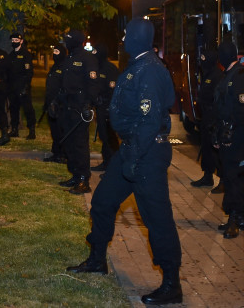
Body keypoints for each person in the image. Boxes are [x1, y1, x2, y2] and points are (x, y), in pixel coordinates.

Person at [68, 18, 182, 306]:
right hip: (131, 150)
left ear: (140, 39)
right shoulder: (138, 64)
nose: (124, 39)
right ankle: (97, 260)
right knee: (103, 201)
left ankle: (171, 283)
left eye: (128, 35)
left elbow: (150, 118)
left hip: (146, 153)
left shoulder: (151, 70)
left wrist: (133, 157)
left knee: (157, 219)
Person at [56, 29, 99, 194]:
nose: (66, 43)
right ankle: (75, 174)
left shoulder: (88, 59)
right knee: (69, 143)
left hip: (80, 108)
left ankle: (83, 180)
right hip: (67, 106)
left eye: (68, 40)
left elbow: (93, 83)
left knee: (80, 144)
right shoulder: (69, 58)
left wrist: (89, 104)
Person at [212, 41, 244, 239]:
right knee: (231, 176)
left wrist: (230, 133)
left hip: (236, 138)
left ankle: (235, 219)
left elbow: (239, 110)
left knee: (234, 178)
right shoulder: (229, 75)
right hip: (227, 135)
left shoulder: (239, 76)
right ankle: (236, 216)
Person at [191, 49, 223, 188]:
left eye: (205, 60)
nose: (202, 63)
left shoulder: (217, 75)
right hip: (206, 117)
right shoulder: (207, 74)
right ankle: (207, 176)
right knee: (206, 148)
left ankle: (222, 181)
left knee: (216, 151)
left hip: (213, 118)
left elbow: (218, 99)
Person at [91, 43, 120, 171]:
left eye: (96, 52)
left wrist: (107, 104)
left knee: (109, 138)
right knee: (103, 136)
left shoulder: (110, 69)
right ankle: (106, 163)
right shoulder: (96, 67)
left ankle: (113, 167)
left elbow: (113, 90)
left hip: (109, 108)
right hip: (100, 107)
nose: (94, 54)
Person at [7, 32, 36, 139]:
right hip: (13, 87)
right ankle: (14, 129)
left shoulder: (26, 54)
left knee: (28, 109)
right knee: (14, 108)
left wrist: (25, 86)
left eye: (16, 40)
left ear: (21, 41)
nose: (14, 42)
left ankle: (32, 131)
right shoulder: (11, 55)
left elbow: (29, 72)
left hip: (23, 87)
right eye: (13, 40)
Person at [43, 45, 67, 163]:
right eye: (54, 51)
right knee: (54, 130)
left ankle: (62, 154)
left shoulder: (65, 67)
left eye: (57, 51)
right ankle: (56, 152)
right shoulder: (54, 67)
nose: (55, 54)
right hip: (51, 103)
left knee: (61, 130)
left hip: (60, 105)